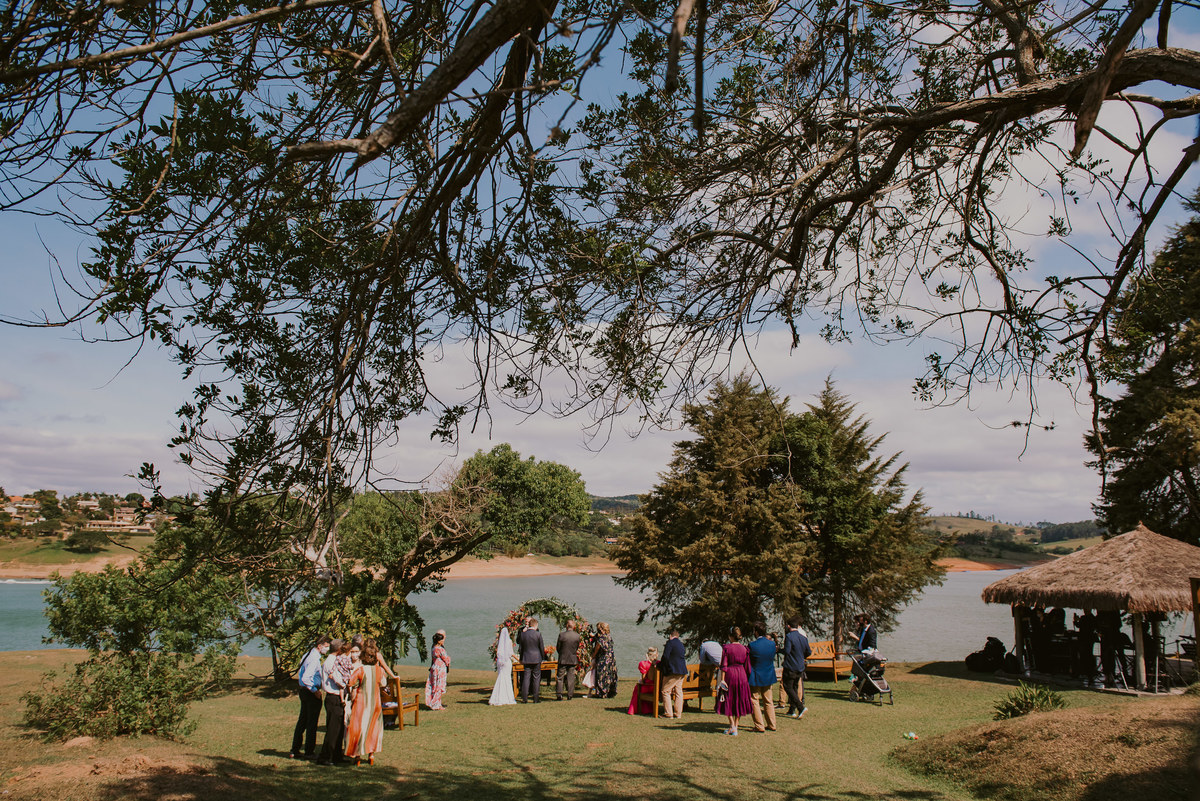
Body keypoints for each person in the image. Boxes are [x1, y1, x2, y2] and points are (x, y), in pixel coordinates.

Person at [345, 639, 387, 766]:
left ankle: (357, 755)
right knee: (373, 728)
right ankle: (371, 754)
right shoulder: (379, 670)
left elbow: (350, 683)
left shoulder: (360, 670)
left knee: (359, 727)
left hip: (361, 703)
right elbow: (383, 684)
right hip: (375, 703)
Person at [290, 634, 331, 760]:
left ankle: (295, 749)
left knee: (302, 720)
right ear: (320, 646)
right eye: (326, 647)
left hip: (304, 691)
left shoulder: (308, 654)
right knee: (311, 723)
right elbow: (306, 677)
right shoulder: (314, 658)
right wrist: (314, 691)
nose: (327, 649)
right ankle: (309, 751)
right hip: (310, 691)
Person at [316, 639, 349, 765]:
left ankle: (336, 756)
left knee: (339, 728)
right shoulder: (330, 662)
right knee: (333, 729)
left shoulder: (334, 660)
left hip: (337, 697)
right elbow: (338, 681)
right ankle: (325, 756)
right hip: (333, 697)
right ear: (339, 650)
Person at [717, 626, 753, 736]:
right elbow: (748, 667)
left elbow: (724, 665)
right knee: (739, 699)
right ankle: (736, 726)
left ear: (731, 636)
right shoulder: (744, 649)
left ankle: (732, 725)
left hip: (730, 674)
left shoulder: (727, 648)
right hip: (742, 675)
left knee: (728, 698)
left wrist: (722, 680)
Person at [747, 621, 777, 732]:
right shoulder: (772, 644)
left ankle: (759, 725)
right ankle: (772, 724)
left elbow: (749, 660)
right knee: (768, 701)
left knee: (754, 700)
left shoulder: (752, 645)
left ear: (756, 632)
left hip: (756, 676)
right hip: (768, 675)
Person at [781, 617, 811, 719]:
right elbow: (809, 652)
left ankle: (800, 707)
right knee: (794, 687)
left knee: (787, 686)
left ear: (788, 626)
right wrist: (801, 657)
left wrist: (779, 650)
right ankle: (792, 710)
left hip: (790, 666)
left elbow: (787, 651)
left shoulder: (789, 637)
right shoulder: (803, 637)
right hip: (800, 666)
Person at [659, 629, 688, 719]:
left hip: (673, 671)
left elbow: (666, 656)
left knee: (665, 691)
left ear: (670, 636)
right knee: (678, 692)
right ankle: (678, 713)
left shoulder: (670, 643)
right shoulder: (681, 644)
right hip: (682, 671)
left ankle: (668, 713)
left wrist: (661, 666)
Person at [517, 618, 546, 703]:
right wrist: (543, 658)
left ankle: (524, 698)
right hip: (536, 659)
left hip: (526, 658)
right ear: (535, 625)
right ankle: (536, 698)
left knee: (526, 678)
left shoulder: (523, 634)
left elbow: (521, 648)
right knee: (536, 678)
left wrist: (521, 659)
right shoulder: (538, 634)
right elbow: (541, 647)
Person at [489, 626, 518, 705]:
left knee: (501, 678)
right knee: (507, 679)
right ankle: (506, 697)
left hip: (500, 662)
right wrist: (519, 660)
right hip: (507, 662)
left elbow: (499, 652)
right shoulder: (509, 641)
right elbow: (511, 653)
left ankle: (497, 697)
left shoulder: (500, 643)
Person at [590, 621, 619, 698]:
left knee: (602, 675)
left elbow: (597, 648)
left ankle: (602, 692)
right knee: (609, 674)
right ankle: (609, 691)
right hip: (611, 658)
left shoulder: (602, 638)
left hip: (604, 659)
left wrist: (593, 656)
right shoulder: (608, 636)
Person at [555, 620, 582, 700]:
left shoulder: (562, 635)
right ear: (573, 626)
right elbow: (576, 647)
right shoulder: (577, 636)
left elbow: (558, 647)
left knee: (560, 677)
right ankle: (570, 694)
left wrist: (561, 653)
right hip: (572, 658)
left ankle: (559, 694)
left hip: (563, 658)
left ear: (567, 626)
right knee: (571, 677)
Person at [627, 647, 658, 715]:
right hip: (657, 687)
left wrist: (642, 681)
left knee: (637, 688)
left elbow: (644, 679)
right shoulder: (659, 663)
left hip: (648, 687)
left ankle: (634, 709)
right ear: (657, 655)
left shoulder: (643, 664)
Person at [425, 630, 451, 710]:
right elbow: (446, 659)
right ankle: (436, 704)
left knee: (434, 685)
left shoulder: (433, 648)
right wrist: (448, 661)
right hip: (440, 669)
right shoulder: (440, 649)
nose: (443, 641)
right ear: (439, 641)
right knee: (439, 686)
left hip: (434, 667)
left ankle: (434, 702)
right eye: (442, 639)